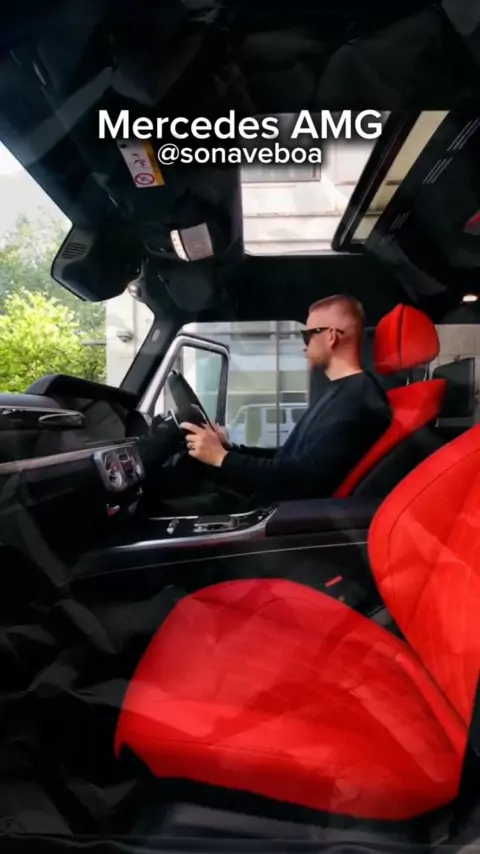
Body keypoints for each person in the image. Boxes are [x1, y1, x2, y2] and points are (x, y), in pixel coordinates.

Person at [170, 294, 392, 510]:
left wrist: (222, 458)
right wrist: (230, 448)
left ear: (331, 336)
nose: (304, 345)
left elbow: (302, 476)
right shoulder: (341, 390)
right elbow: (289, 457)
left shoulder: (358, 399)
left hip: (282, 514)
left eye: (307, 336)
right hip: (272, 502)